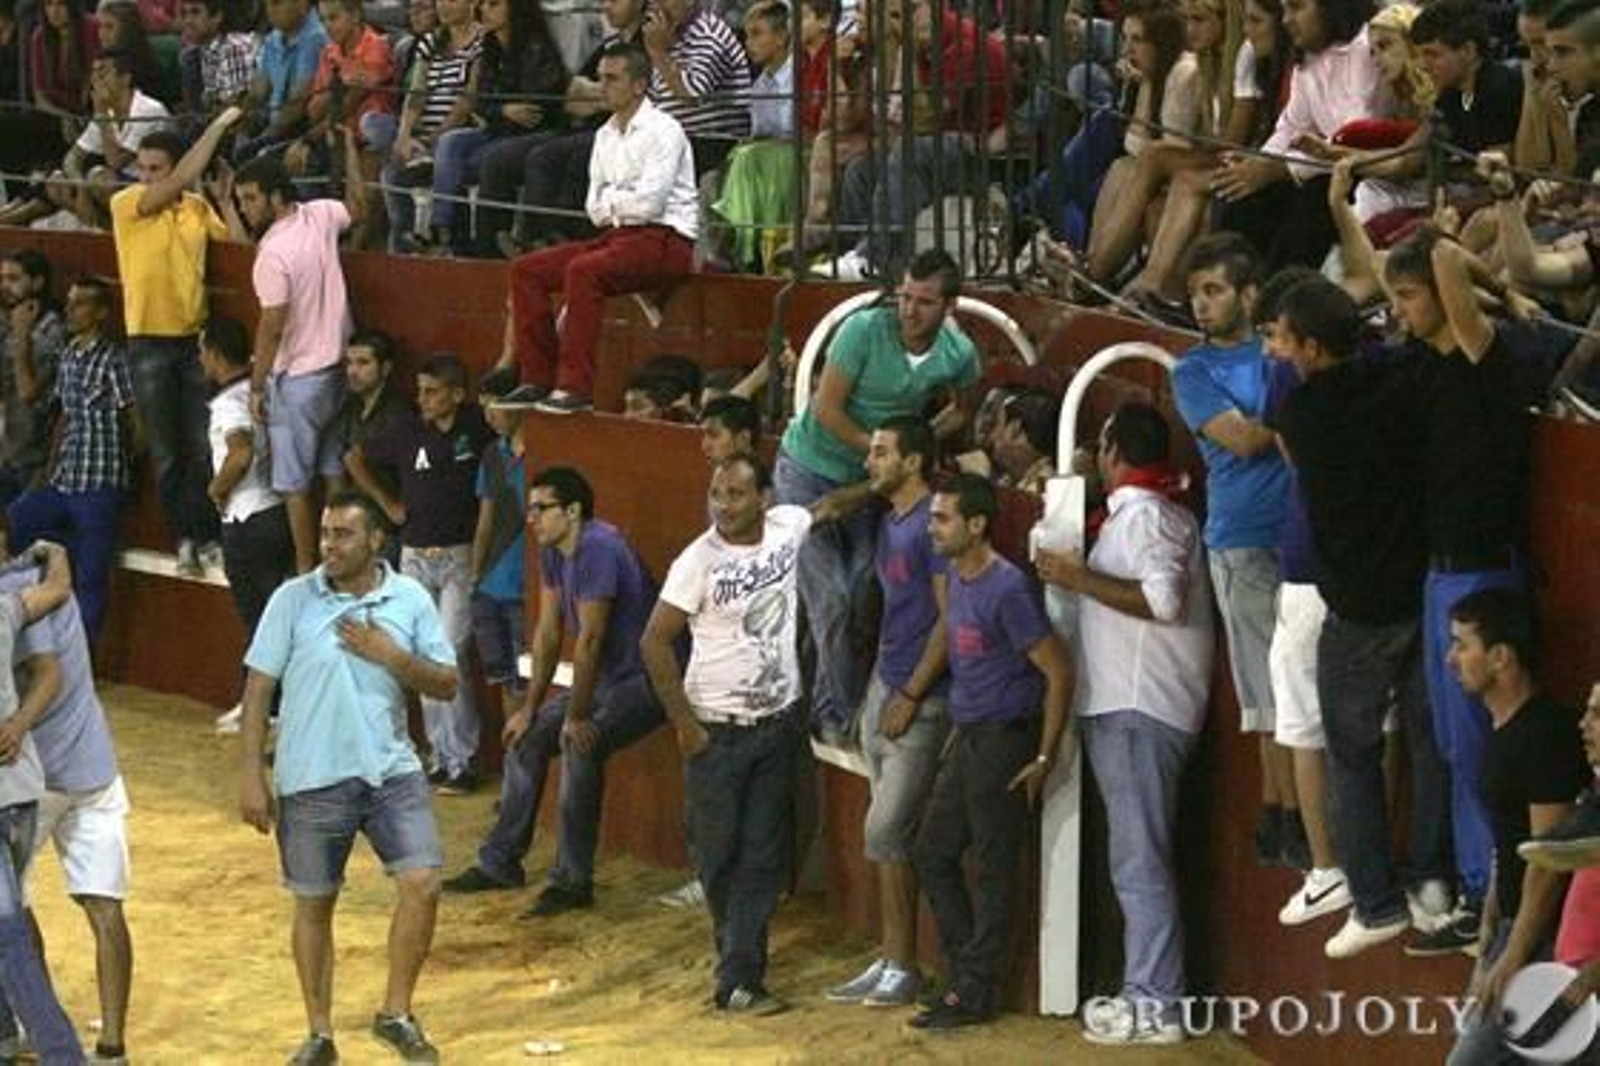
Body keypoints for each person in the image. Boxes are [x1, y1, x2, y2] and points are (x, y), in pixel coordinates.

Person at [239, 490, 456, 1066]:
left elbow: (446, 684)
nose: (329, 545)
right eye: (326, 533)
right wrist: (250, 775)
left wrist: (393, 656)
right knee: (314, 905)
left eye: (343, 535)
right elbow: (258, 688)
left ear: (375, 540)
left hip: (391, 771)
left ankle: (397, 1013)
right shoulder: (291, 599)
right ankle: (319, 1033)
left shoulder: (408, 598)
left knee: (424, 883)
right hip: (310, 777)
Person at [1271, 277, 1452, 959]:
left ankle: (1375, 900)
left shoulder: (1302, 414)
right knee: (1429, 746)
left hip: (1356, 612)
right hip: (1418, 592)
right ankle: (1432, 880)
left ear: (1314, 349)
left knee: (1352, 756)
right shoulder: (1399, 382)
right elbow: (1405, 351)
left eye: (1288, 340)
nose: (1283, 353)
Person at [1038, 404, 1213, 1046]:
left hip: (1140, 708)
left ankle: (1156, 1002)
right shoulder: (1152, 513)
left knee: (1138, 861)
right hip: (1138, 705)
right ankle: (1147, 992)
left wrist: (1077, 577)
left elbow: (1163, 601)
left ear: (1113, 450)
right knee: (1137, 859)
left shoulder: (1146, 518)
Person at [774, 248, 979, 745]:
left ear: (949, 307)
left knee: (864, 590)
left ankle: (824, 704)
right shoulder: (863, 330)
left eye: (925, 301)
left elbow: (962, 409)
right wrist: (887, 452)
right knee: (835, 598)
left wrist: (915, 445)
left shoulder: (958, 354)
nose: (910, 309)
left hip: (873, 485)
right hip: (810, 469)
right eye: (905, 296)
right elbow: (826, 410)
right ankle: (835, 717)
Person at [640, 454, 820, 1015]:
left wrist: (875, 483)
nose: (722, 504)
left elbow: (829, 507)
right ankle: (737, 960)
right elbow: (654, 641)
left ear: (764, 497)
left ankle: (740, 977)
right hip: (715, 730)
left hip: (776, 724)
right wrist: (685, 726)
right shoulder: (696, 561)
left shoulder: (790, 526)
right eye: (716, 493)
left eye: (736, 494)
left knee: (762, 855)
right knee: (718, 856)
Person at [445, 467, 670, 915]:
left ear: (573, 511)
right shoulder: (554, 549)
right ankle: (500, 863)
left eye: (541, 509)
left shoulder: (599, 547)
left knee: (580, 747)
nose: (533, 519)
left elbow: (589, 641)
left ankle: (572, 880)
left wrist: (576, 716)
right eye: (531, 509)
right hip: (608, 678)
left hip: (644, 680)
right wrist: (529, 708)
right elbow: (548, 634)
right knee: (526, 737)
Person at [909, 472, 1073, 1030]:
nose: (933, 527)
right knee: (933, 851)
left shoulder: (1006, 587)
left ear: (977, 524)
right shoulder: (958, 579)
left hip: (1006, 738)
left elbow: (1057, 669)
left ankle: (975, 989)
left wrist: (1045, 756)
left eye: (943, 518)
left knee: (995, 869)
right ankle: (966, 973)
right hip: (973, 735)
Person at [1170, 233, 1297, 868]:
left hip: (1293, 536)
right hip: (1242, 540)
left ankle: (1290, 812)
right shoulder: (1192, 371)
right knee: (1268, 692)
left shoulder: (1272, 353)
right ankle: (1281, 811)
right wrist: (1301, 388)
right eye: (1195, 293)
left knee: (1290, 685)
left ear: (1250, 294)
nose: (1200, 304)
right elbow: (1244, 442)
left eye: (1213, 290)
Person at [500, 41, 698, 414]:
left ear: (639, 85)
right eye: (601, 78)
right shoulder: (605, 135)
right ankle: (535, 378)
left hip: (666, 241)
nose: (602, 86)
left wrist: (615, 204)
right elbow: (593, 208)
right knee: (526, 270)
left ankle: (575, 388)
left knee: (583, 269)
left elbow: (650, 205)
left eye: (612, 78)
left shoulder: (664, 130)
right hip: (619, 237)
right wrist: (620, 205)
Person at [824, 418, 949, 1009]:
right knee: (886, 833)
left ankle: (903, 964)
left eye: (880, 453)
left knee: (886, 829)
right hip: (887, 687)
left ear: (915, 461)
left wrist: (911, 692)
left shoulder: (932, 525)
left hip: (919, 700)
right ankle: (894, 957)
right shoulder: (892, 522)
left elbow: (952, 619)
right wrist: (879, 686)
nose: (869, 461)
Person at [1439, 589, 1588, 1065]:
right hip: (1510, 926)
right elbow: (1511, 839)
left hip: (1539, 936)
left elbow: (1548, 862)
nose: (1450, 659)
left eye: (1463, 645)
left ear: (1501, 656)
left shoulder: (1542, 736)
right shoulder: (1503, 732)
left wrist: (1513, 955)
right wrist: (1490, 917)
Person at [0, 544, 134, 1065]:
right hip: (87, 767)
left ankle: (33, 1034)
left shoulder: (14, 594)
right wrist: (57, 556)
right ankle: (111, 1047)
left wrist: (16, 726)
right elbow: (59, 588)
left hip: (27, 783)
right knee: (104, 908)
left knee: (14, 918)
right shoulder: (39, 582)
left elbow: (47, 674)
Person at [110, 106, 245, 577]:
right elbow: (185, 174)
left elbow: (240, 251)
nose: (146, 177)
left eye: (155, 169)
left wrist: (226, 201)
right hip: (148, 340)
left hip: (192, 342)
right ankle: (188, 537)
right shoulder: (126, 202)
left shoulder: (195, 208)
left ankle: (204, 536)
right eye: (142, 169)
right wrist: (216, 128)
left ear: (172, 171)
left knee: (201, 447)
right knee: (168, 453)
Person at [348, 354, 494, 793]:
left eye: (432, 392)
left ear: (456, 394)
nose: (423, 399)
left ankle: (463, 759)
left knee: (447, 652)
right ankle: (441, 757)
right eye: (421, 391)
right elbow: (354, 457)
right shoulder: (407, 430)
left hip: (457, 556)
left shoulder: (476, 426)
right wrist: (388, 505)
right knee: (424, 655)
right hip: (415, 555)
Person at [236, 145, 364, 574]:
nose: (245, 207)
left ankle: (311, 566)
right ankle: (349, 557)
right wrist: (348, 151)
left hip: (298, 380)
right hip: (337, 371)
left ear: (275, 197)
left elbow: (272, 325)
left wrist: (256, 386)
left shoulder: (272, 254)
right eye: (240, 199)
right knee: (332, 470)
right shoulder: (321, 214)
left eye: (251, 198)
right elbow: (360, 207)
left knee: (293, 486)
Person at [6, 277, 135, 646]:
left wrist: (124, 467)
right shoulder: (68, 356)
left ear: (101, 313)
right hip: (65, 479)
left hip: (100, 481)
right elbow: (64, 415)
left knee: (92, 575)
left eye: (80, 303)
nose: (70, 309)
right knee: (13, 524)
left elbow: (135, 419)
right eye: (70, 302)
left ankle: (83, 660)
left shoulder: (114, 359)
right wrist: (50, 468)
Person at [1212, 0, 1380, 272]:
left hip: (1365, 168)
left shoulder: (1365, 47)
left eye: (1297, 7)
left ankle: (1275, 302)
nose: (1287, 19)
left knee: (1311, 203)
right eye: (1285, 10)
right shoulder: (1308, 53)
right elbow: (1291, 125)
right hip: (1319, 164)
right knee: (1242, 196)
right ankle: (1228, 292)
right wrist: (1257, 163)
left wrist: (1279, 168)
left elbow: (1354, 135)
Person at [0, 542, 83, 1066]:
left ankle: (61, 1056)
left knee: (7, 937)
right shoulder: (5, 607)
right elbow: (58, 588)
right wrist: (54, 552)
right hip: (18, 793)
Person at [199, 316, 295, 734]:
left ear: (215, 354)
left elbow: (240, 454)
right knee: (273, 616)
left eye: (202, 351)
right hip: (276, 511)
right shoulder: (264, 391)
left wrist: (216, 489)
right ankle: (271, 703)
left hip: (247, 516)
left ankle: (263, 705)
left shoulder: (228, 404)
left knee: (259, 620)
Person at [466, 367, 527, 725]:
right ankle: (513, 768)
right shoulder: (492, 454)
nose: (489, 417)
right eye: (485, 408)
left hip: (524, 589)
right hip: (490, 585)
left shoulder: (545, 452)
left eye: (496, 407)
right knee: (504, 681)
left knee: (527, 682)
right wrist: (475, 575)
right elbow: (485, 521)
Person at [0, 252, 65, 506]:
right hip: (9, 452)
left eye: (13, 278)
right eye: (1, 278)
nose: (4, 285)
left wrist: (21, 336)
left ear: (37, 283)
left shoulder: (54, 330)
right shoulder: (6, 323)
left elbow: (28, 392)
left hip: (37, 459)